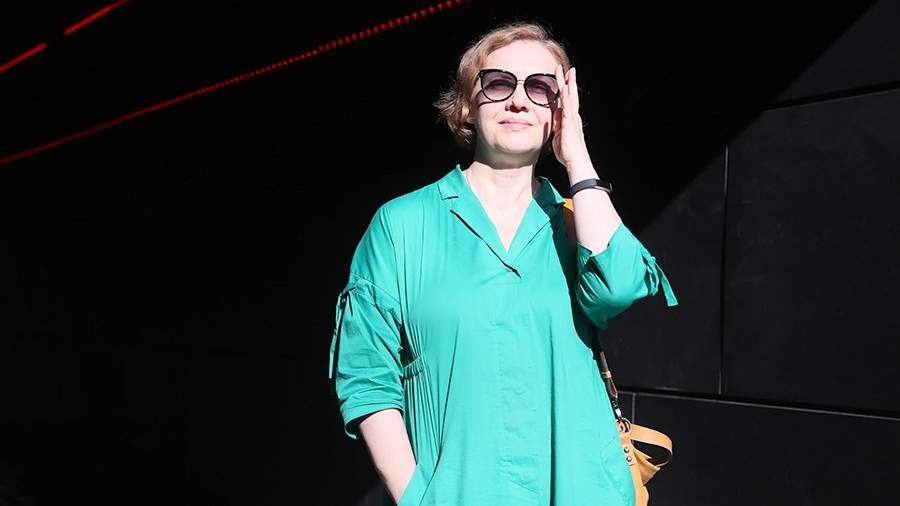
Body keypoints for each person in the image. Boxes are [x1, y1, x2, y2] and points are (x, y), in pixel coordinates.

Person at [327, 21, 678, 506]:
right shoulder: (402, 225)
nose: (519, 101)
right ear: (468, 105)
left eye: (542, 88)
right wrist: (419, 498)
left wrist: (577, 156)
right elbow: (367, 374)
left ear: (561, 109)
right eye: (498, 83)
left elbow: (617, 286)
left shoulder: (579, 221)